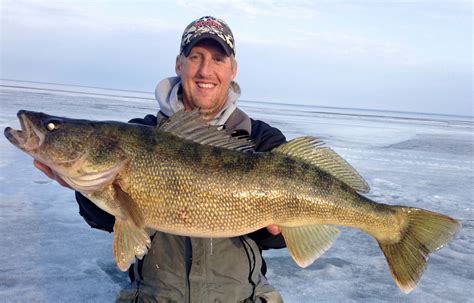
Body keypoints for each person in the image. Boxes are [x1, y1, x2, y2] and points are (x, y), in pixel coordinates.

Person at [34, 16, 287, 302]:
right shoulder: (141, 133)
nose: (206, 70)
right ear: (179, 64)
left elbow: (278, 241)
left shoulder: (261, 140)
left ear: (232, 70)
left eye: (218, 59)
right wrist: (86, 189)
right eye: (196, 57)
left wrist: (278, 228)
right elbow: (104, 221)